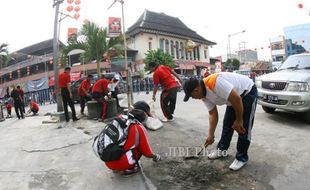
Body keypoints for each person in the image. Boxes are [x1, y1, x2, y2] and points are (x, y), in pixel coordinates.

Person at [182, 72, 257, 171]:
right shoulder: (203, 96)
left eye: (192, 96)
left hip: (247, 92)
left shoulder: (214, 82)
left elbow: (237, 99)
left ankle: (241, 157)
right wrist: (210, 134)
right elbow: (213, 114)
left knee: (243, 128)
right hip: (233, 98)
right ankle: (221, 150)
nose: (193, 98)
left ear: (196, 90)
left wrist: (239, 120)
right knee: (227, 124)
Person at [94, 102, 161, 175]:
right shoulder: (137, 127)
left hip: (107, 161)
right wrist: (156, 157)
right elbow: (147, 152)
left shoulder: (120, 118)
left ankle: (116, 168)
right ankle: (128, 168)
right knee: (139, 148)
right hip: (122, 163)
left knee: (125, 144)